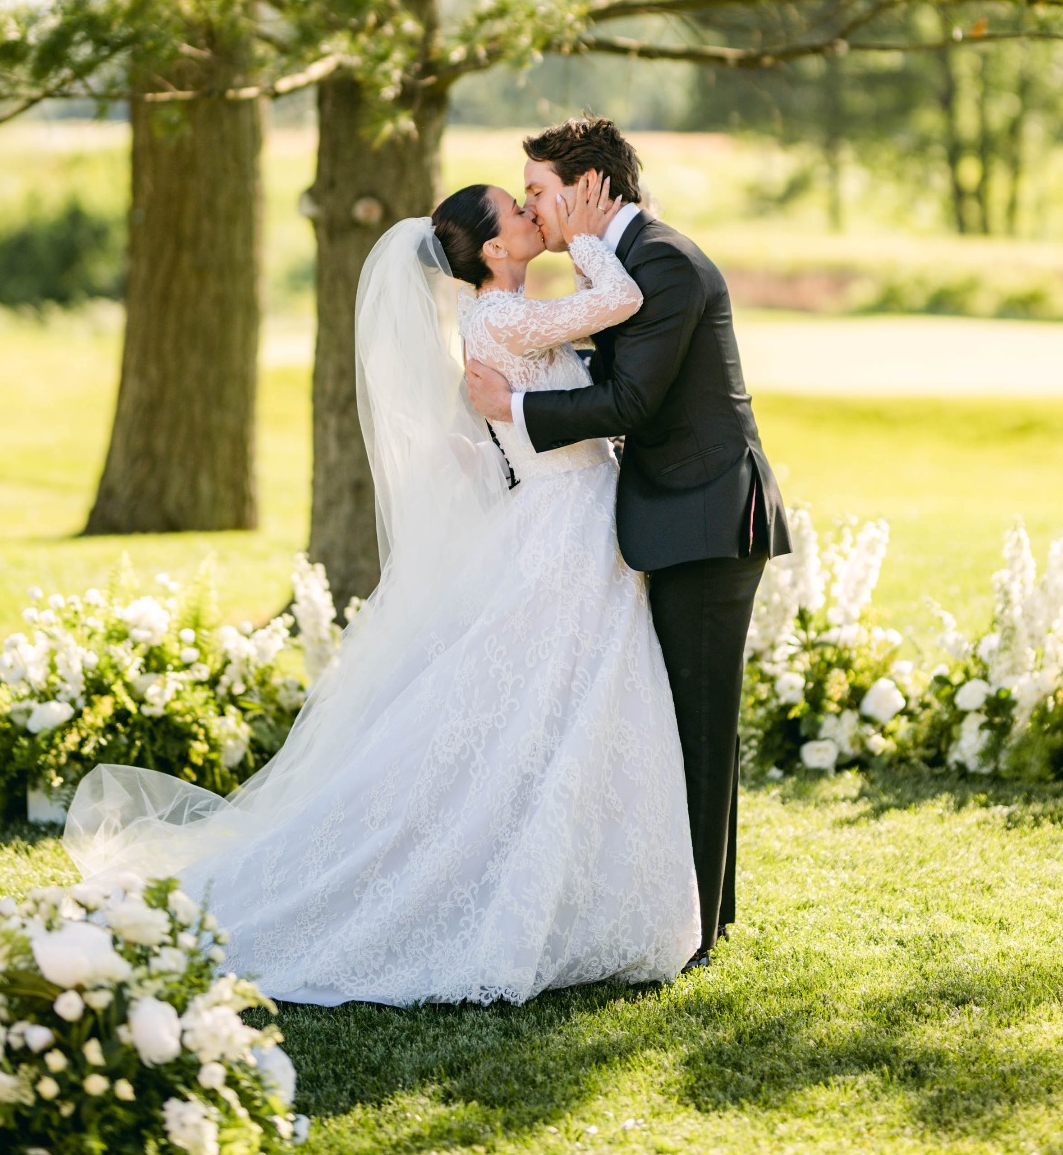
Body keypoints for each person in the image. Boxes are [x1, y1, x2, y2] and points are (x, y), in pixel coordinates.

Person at [64, 172, 700, 1006]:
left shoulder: (496, 315)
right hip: (562, 526)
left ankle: (583, 886)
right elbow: (617, 300)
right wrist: (590, 232)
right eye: (519, 209)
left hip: (571, 522)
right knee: (561, 700)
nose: (531, 208)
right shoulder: (501, 311)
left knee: (580, 704)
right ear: (496, 248)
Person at [467, 116, 791, 963]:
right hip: (668, 516)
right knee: (675, 723)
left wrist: (518, 410)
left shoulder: (665, 263)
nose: (533, 207)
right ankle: (691, 912)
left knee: (702, 725)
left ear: (585, 186)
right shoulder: (622, 260)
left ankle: (701, 928)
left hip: (707, 519)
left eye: (539, 190)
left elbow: (632, 402)